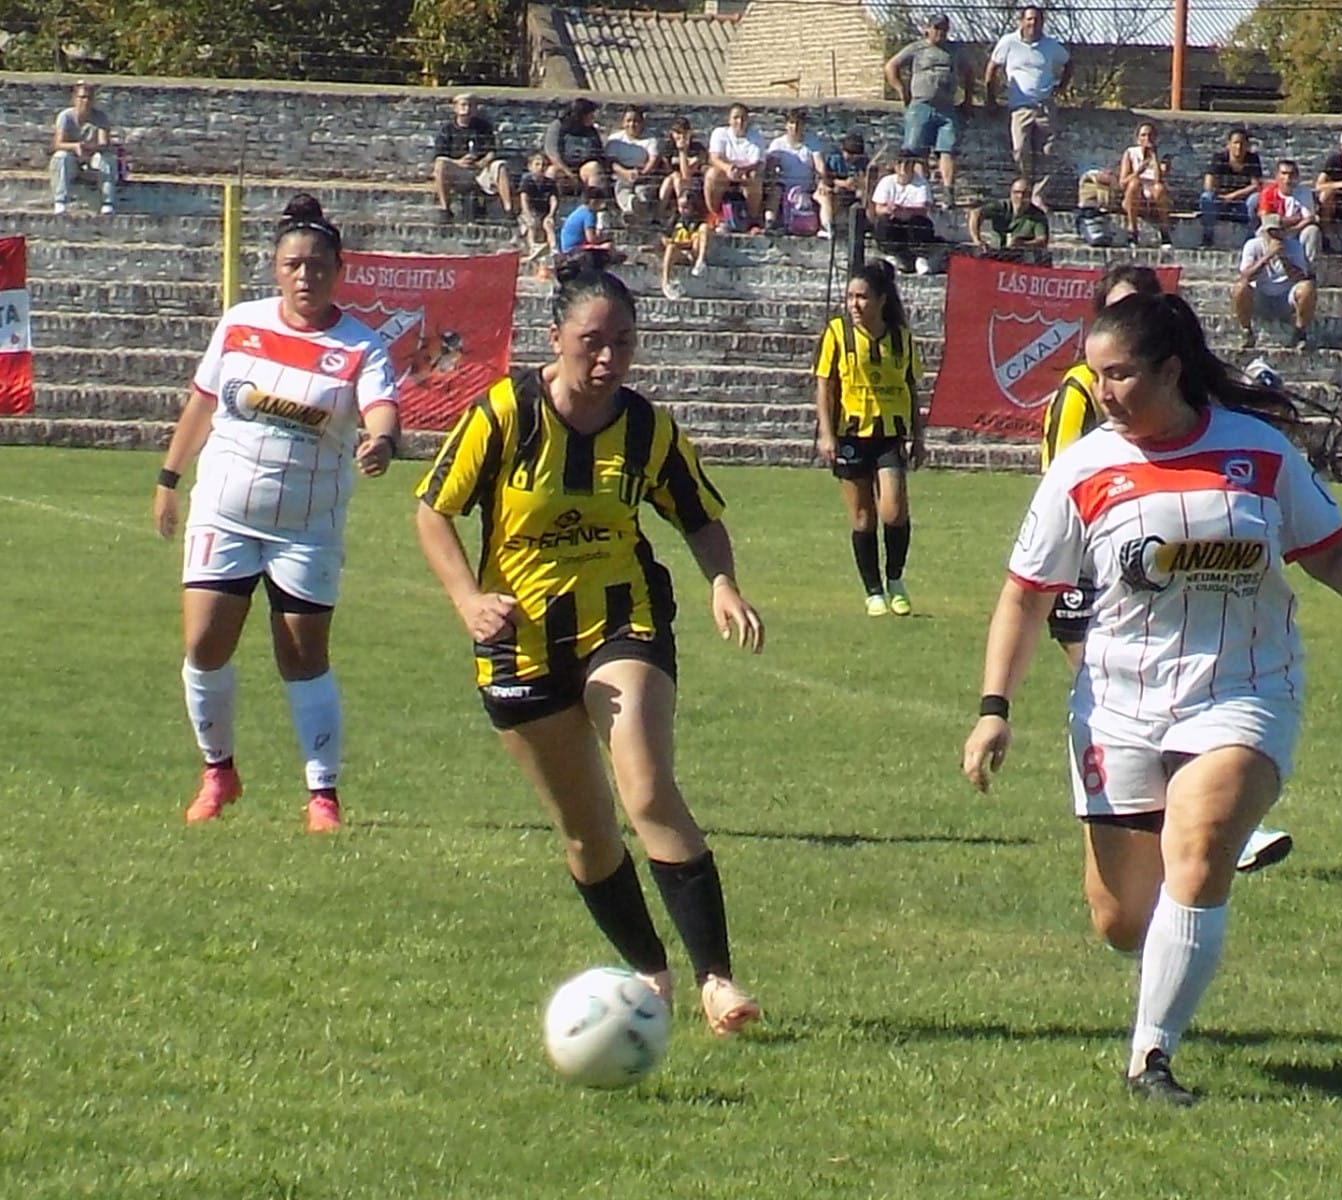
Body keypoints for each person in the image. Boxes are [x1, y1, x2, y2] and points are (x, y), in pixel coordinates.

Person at [963, 290, 1342, 1105]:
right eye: (1095, 376)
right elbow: (1025, 595)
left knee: (1198, 852)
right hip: (1119, 703)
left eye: (1120, 374)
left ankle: (1150, 1061)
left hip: (1245, 688)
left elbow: (1331, 549)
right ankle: (1168, 951)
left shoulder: (1259, 451)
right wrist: (995, 708)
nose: (1103, 392)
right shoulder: (1084, 467)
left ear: (1170, 370)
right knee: (1121, 920)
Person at [413, 260, 764, 1036]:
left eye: (624, 344)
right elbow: (433, 511)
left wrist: (722, 582)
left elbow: (699, 517)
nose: (608, 360)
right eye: (591, 343)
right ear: (555, 340)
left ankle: (717, 978)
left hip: (623, 620)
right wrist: (468, 600)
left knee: (644, 787)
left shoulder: (645, 429)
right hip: (519, 646)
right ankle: (649, 970)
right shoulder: (505, 414)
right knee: (587, 830)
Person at [151, 194, 400, 833]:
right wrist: (169, 478)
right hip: (224, 513)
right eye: (293, 264)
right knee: (204, 644)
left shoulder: (359, 346)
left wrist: (381, 440)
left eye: (318, 266)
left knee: (302, 655)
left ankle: (323, 796)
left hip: (306, 529)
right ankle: (219, 772)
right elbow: (203, 404)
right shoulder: (240, 324)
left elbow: (381, 409)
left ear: (338, 270)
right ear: (276, 268)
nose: (305, 276)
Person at [1040, 264, 1294, 876]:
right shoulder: (1081, 398)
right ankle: (1160, 812)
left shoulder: (1215, 423)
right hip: (1094, 566)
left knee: (1187, 690)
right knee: (1125, 681)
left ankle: (1213, 818)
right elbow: (1059, 465)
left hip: (1184, 590)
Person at [812, 259, 926, 617]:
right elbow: (825, 385)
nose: (854, 305)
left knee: (893, 510)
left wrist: (919, 435)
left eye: (862, 297)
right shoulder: (837, 334)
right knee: (863, 517)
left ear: (880, 300)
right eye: (850, 297)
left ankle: (895, 579)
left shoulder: (901, 339)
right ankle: (873, 590)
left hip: (890, 434)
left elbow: (911, 386)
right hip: (850, 434)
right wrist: (827, 433)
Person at [985, 5, 1072, 209]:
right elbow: (992, 67)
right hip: (1019, 107)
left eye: (1037, 20)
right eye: (1030, 19)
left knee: (1048, 152)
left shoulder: (1051, 45)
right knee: (1020, 149)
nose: (1033, 23)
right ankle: (1023, 189)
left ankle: (1038, 194)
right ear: (1021, 21)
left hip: (1045, 106)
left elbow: (1069, 63)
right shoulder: (1009, 42)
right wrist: (991, 98)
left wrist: (1062, 86)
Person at [885, 12, 972, 205]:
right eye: (935, 28)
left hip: (947, 107)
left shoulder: (955, 51)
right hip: (921, 105)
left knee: (947, 150)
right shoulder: (917, 48)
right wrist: (901, 89)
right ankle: (921, 192)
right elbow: (891, 66)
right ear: (928, 29)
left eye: (943, 28)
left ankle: (948, 192)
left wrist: (967, 98)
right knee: (916, 151)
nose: (939, 32)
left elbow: (969, 73)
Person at [1234, 212, 1317, 351]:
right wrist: (1267, 256)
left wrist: (1283, 258)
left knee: (1308, 288)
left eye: (1279, 231)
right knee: (1240, 288)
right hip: (1261, 295)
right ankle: (1246, 332)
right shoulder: (1253, 245)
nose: (1276, 235)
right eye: (1271, 232)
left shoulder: (1294, 246)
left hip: (1286, 297)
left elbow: (1301, 277)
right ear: (1264, 232)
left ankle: (1300, 332)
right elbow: (1246, 276)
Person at [432, 93, 511, 220]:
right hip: (459, 172)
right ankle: (445, 209)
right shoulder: (447, 130)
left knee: (500, 166)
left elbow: (492, 151)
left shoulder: (483, 127)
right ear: (455, 108)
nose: (466, 109)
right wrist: (458, 162)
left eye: (470, 105)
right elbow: (438, 155)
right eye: (463, 105)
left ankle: (508, 210)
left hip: (481, 170)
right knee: (440, 164)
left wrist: (482, 162)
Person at [49, 81, 118, 216]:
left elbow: (104, 143)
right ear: (75, 99)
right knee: (60, 157)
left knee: (107, 159)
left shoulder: (100, 117)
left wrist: (88, 148)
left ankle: (107, 203)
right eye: (82, 97)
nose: (85, 101)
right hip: (72, 160)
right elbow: (57, 144)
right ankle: (60, 202)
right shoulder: (65, 117)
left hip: (93, 160)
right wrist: (75, 147)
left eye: (89, 98)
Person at [764, 108, 834, 238]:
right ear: (786, 125)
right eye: (791, 123)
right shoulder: (778, 144)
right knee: (775, 191)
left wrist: (822, 182)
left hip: (808, 186)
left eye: (798, 123)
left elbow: (820, 165)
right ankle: (770, 223)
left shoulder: (812, 142)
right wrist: (773, 179)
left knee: (824, 195)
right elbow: (770, 168)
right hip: (785, 186)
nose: (795, 127)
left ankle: (827, 226)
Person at [870, 149, 937, 275]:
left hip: (912, 222)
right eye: (900, 163)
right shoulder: (886, 182)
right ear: (895, 166)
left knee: (920, 223)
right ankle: (893, 255)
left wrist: (905, 211)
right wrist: (889, 209)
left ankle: (919, 257)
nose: (903, 167)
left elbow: (923, 209)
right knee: (883, 221)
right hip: (894, 222)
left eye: (908, 163)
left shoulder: (922, 184)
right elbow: (878, 208)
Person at [706, 103, 768, 231]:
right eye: (735, 118)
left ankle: (752, 219)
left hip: (747, 172)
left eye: (743, 118)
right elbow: (715, 157)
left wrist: (741, 171)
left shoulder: (756, 136)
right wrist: (728, 168)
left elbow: (758, 162)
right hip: (725, 171)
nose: (739, 122)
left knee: (755, 177)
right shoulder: (720, 133)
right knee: (712, 175)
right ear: (729, 119)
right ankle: (716, 215)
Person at [1198, 127, 1263, 248]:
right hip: (1221, 201)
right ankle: (1208, 237)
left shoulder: (1252, 159)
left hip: (1243, 204)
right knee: (1206, 197)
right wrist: (1220, 195)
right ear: (1228, 145)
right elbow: (1208, 183)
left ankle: (1250, 239)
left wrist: (1233, 196)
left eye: (1242, 144)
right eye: (1235, 143)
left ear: (1247, 145)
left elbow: (1256, 185)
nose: (1238, 147)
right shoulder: (1219, 158)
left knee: (1256, 198)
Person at [1118, 120, 1174, 248]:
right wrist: (1138, 172)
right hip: (1135, 199)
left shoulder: (1163, 156)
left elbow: (1159, 179)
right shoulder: (1130, 153)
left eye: (1150, 135)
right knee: (1134, 184)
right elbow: (1123, 182)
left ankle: (1165, 232)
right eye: (1143, 135)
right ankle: (1132, 231)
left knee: (1159, 188)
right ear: (1138, 138)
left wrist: (1154, 157)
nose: (1147, 138)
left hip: (1154, 199)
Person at [605, 105, 664, 224]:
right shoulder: (615, 140)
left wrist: (642, 174)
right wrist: (625, 173)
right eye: (629, 121)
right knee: (622, 188)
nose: (632, 124)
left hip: (643, 174)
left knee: (643, 192)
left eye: (636, 121)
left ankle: (633, 210)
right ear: (623, 122)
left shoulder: (650, 140)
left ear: (642, 123)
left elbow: (653, 159)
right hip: (621, 173)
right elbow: (610, 162)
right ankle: (632, 206)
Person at [1256, 159, 1322, 264]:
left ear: (1297, 176)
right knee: (1262, 232)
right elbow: (1266, 219)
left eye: (1291, 174)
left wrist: (1293, 228)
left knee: (1312, 231)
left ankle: (1308, 270)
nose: (1288, 178)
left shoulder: (1304, 192)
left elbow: (1309, 218)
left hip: (1297, 230)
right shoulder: (1268, 193)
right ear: (1277, 176)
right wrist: (1295, 218)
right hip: (1275, 230)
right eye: (1284, 173)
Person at [968, 177, 1051, 257]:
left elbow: (1042, 241)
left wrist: (1022, 244)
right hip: (996, 253)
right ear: (1011, 193)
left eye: (1025, 194)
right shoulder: (1002, 207)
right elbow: (976, 213)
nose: (1020, 197)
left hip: (1022, 257)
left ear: (1030, 196)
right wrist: (977, 240)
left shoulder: (1037, 216)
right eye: (1016, 192)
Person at [542, 97, 609, 196]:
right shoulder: (558, 126)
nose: (593, 119)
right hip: (563, 167)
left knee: (594, 168)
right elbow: (552, 153)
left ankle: (595, 202)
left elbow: (597, 153)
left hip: (583, 169)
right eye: (590, 115)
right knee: (552, 172)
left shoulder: (591, 131)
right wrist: (569, 173)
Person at [660, 189, 713, 301]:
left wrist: (676, 243)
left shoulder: (697, 222)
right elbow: (665, 236)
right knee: (669, 248)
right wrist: (666, 241)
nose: (682, 210)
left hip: (691, 252)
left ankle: (700, 261)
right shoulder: (675, 219)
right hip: (679, 252)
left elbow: (693, 243)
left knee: (703, 229)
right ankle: (666, 283)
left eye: (686, 207)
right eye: (680, 207)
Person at [656, 118, 710, 221]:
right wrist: (676, 175)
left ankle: (682, 212)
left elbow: (687, 174)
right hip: (672, 184)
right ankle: (660, 214)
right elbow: (668, 170)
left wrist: (683, 151)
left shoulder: (698, 148)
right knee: (673, 178)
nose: (681, 136)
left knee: (677, 178)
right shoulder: (668, 148)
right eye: (677, 133)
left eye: (684, 133)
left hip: (694, 183)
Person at [558, 187, 623, 268]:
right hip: (574, 250)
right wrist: (606, 237)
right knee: (608, 246)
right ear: (593, 201)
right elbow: (591, 239)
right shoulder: (589, 214)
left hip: (570, 248)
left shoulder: (580, 210)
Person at [517, 150, 560, 264]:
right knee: (531, 224)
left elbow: (553, 199)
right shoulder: (527, 181)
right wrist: (528, 214)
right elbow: (524, 199)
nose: (540, 167)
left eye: (543, 165)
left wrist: (551, 214)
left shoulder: (550, 183)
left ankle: (554, 248)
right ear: (530, 167)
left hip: (544, 212)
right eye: (537, 164)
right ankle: (533, 247)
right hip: (530, 211)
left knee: (548, 224)